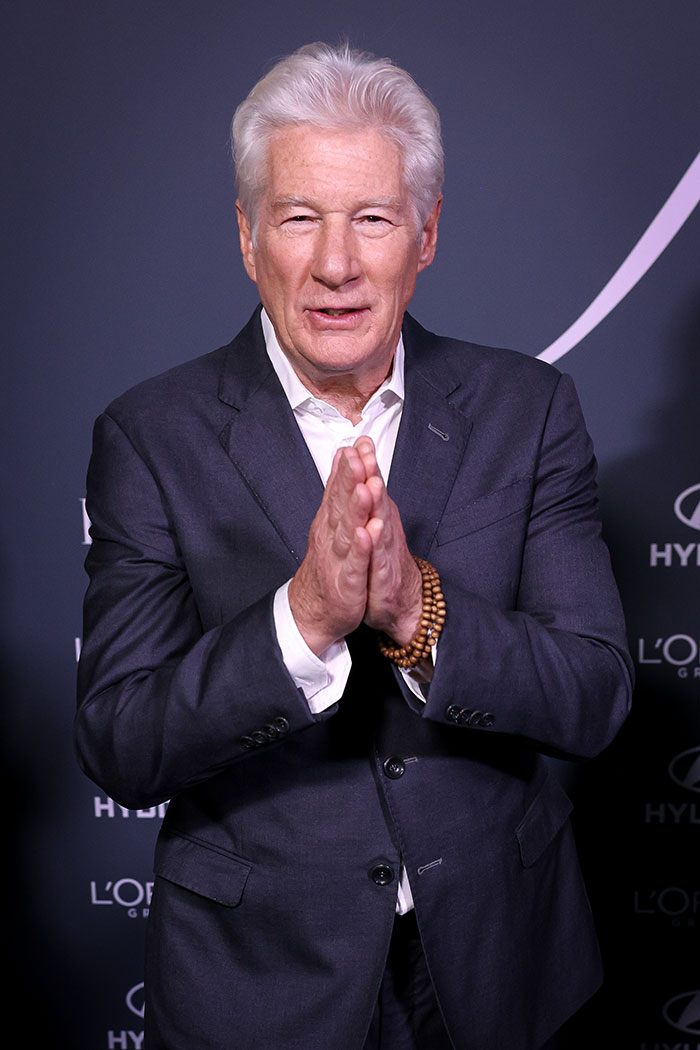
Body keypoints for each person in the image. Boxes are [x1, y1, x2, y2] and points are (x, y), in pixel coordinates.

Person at [75, 42, 633, 1050]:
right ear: (248, 238)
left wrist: (412, 609)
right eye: (299, 217)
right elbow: (121, 740)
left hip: (501, 970)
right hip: (257, 988)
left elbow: (592, 694)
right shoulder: (149, 435)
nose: (336, 263)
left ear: (424, 236)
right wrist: (305, 620)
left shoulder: (529, 410)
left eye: (372, 218)